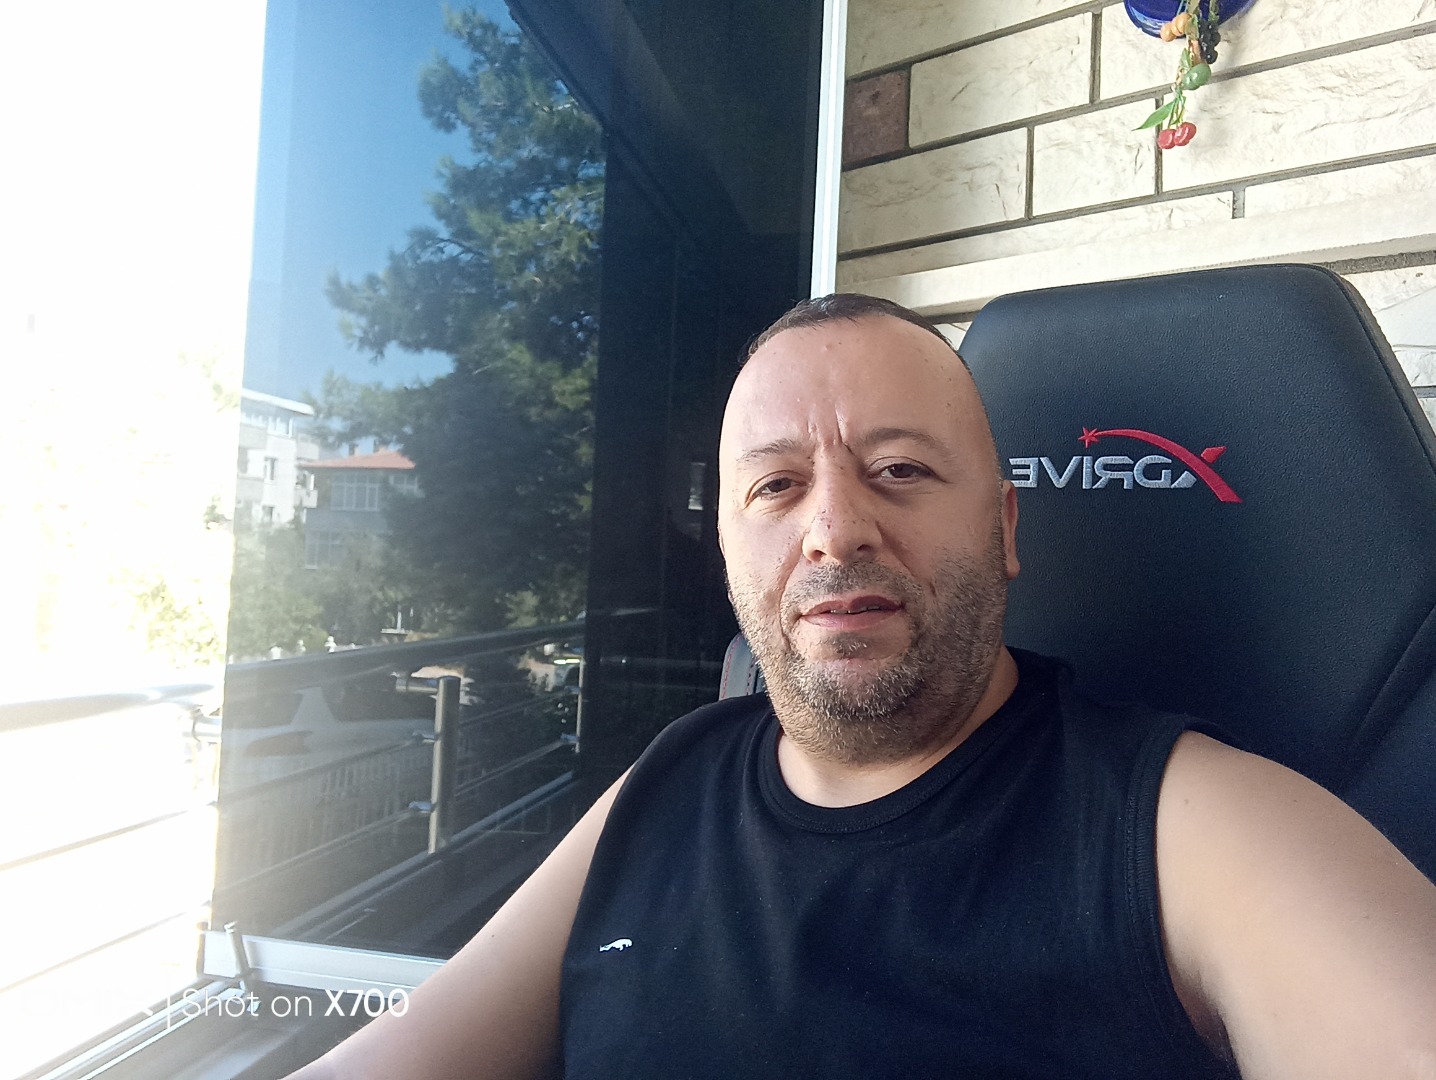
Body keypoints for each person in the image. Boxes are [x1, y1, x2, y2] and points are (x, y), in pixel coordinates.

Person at [285, 295, 1436, 1080]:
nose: (834, 529)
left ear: (1002, 528)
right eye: (775, 487)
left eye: (898, 469)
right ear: (727, 548)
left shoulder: (1186, 826)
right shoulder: (668, 780)